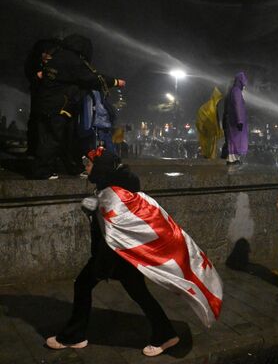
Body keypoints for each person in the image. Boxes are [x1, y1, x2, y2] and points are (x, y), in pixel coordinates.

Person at [46, 147, 179, 357]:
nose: (86, 169)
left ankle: (74, 336)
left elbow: (114, 231)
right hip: (120, 254)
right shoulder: (111, 186)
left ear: (100, 167)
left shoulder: (114, 193)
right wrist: (95, 207)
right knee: (138, 292)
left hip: (114, 254)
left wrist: (102, 265)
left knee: (83, 285)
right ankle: (165, 333)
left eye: (88, 165)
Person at [32, 34, 125, 179]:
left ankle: (71, 167)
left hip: (46, 105)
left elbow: (44, 75)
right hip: (59, 107)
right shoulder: (73, 61)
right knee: (53, 138)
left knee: (55, 138)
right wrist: (115, 82)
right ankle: (42, 171)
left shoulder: (56, 57)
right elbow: (92, 78)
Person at [221, 72, 248, 165]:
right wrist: (240, 121)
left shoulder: (233, 90)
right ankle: (233, 159)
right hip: (235, 122)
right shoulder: (236, 91)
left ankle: (233, 158)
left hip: (233, 120)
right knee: (235, 140)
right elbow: (238, 106)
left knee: (233, 140)